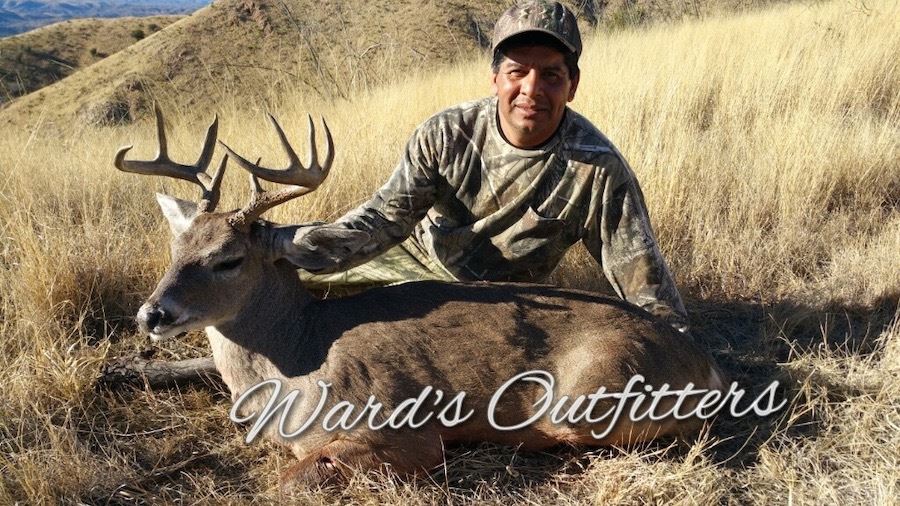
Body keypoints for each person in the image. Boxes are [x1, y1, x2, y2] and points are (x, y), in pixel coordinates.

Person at [289, 0, 690, 333]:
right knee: (286, 275)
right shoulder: (444, 135)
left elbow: (647, 287)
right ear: (495, 78)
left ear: (573, 85)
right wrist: (289, 247)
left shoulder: (598, 168)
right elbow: (383, 220)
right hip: (419, 259)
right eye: (517, 72)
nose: (532, 89)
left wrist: (680, 352)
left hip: (503, 303)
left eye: (551, 75)